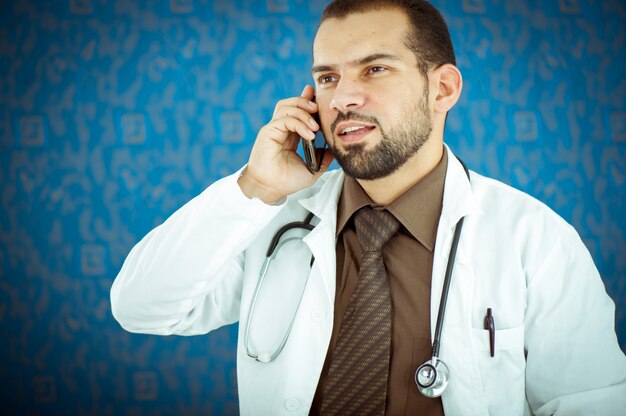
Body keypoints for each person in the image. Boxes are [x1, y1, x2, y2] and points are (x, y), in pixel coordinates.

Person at [110, 0, 626, 414]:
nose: (343, 99)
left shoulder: (536, 240)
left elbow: (591, 403)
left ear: (442, 88)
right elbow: (140, 307)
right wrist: (258, 186)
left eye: (374, 69)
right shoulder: (271, 218)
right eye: (328, 77)